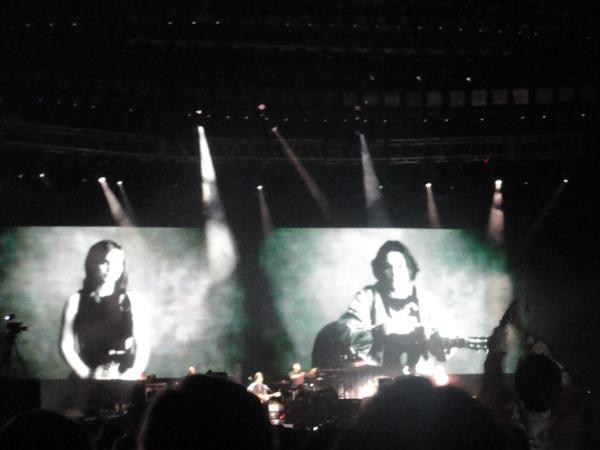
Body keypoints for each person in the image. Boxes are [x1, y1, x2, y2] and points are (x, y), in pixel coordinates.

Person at [60, 240, 150, 380]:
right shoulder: (75, 300)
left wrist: (131, 374)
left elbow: (143, 345)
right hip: (88, 374)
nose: (111, 268)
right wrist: (87, 374)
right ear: (93, 264)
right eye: (105, 262)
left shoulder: (134, 300)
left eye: (117, 263)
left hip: (127, 374)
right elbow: (66, 346)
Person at [337, 240, 429, 372]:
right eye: (388, 267)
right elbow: (348, 330)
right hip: (376, 372)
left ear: (409, 268)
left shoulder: (425, 298)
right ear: (380, 270)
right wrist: (381, 331)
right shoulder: (366, 296)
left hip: (418, 371)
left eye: (400, 266)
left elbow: (445, 338)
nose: (394, 272)